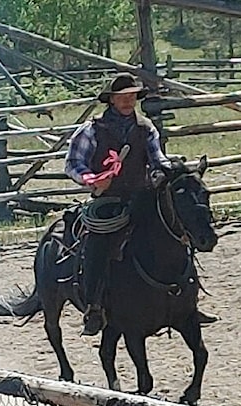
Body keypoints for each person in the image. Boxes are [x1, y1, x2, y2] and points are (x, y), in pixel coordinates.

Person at [64, 72, 173, 337]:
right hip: (108, 200)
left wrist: (163, 173)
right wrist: (91, 178)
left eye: (131, 96)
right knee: (98, 246)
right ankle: (94, 305)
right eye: (122, 97)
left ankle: (184, 298)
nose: (127, 101)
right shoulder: (91, 129)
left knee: (175, 232)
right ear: (111, 100)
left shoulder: (146, 128)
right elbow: (73, 163)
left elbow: (158, 159)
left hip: (142, 195)